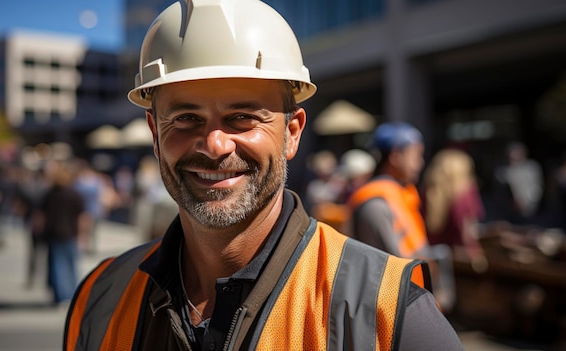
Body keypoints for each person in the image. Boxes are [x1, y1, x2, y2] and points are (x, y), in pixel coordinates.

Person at [64, 1, 463, 350]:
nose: (215, 144)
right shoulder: (102, 297)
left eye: (242, 117)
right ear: (155, 133)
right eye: (186, 118)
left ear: (292, 133)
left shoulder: (389, 312)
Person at [346, 122, 456, 312]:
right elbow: (391, 269)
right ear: (396, 156)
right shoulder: (376, 204)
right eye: (416, 155)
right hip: (398, 308)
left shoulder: (400, 193)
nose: (420, 163)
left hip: (415, 300)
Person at [422, 148, 487, 272]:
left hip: (432, 261)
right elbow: (467, 233)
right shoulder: (466, 194)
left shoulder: (427, 194)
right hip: (460, 264)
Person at [36, 161, 88, 306]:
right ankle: (73, 294)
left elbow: (41, 216)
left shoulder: (49, 193)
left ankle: (61, 295)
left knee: (58, 265)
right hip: (71, 233)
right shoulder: (75, 194)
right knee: (72, 265)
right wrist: (83, 235)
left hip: (54, 233)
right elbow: (82, 217)